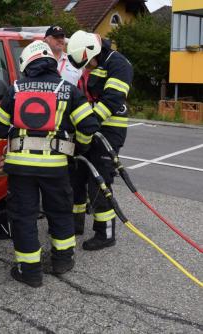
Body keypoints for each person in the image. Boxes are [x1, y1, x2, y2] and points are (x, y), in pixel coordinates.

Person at [0, 41, 99, 287]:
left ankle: (29, 272)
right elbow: (89, 126)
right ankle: (62, 260)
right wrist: (77, 148)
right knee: (60, 212)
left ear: (27, 64)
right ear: (51, 62)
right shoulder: (68, 89)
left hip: (20, 168)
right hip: (55, 167)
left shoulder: (15, 89)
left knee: (23, 217)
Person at [67, 31, 133, 250]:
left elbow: (112, 100)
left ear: (95, 51)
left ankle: (105, 234)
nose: (88, 67)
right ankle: (75, 223)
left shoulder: (119, 64)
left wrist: (87, 122)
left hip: (109, 130)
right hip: (88, 127)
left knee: (99, 180)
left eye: (88, 62)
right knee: (76, 175)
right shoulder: (93, 64)